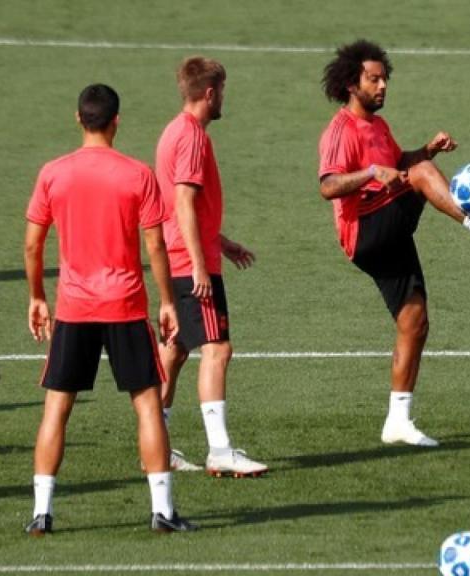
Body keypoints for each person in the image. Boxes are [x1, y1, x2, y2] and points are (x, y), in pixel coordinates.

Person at [317, 40, 470, 447]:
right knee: (422, 173)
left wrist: (426, 149)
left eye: (385, 79)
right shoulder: (340, 130)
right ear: (351, 83)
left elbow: (400, 165)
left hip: (390, 229)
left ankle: (397, 421)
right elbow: (328, 186)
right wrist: (371, 173)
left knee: (414, 324)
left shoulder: (378, 126)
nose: (382, 86)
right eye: (373, 79)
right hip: (365, 231)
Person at [24, 84, 196, 534]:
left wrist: (37, 296)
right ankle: (162, 511)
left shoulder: (53, 173)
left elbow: (31, 242)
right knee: (147, 405)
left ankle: (41, 512)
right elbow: (156, 243)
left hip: (75, 307)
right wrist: (167, 300)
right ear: (116, 121)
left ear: (78, 119)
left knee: (56, 408)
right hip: (123, 305)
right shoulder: (137, 174)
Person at [155, 56, 268, 476]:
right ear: (209, 92)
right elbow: (183, 199)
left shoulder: (174, 132)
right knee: (217, 349)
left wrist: (221, 242)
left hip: (179, 256)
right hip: (190, 263)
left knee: (175, 351)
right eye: (221, 90)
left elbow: (178, 205)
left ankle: (158, 445)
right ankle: (219, 449)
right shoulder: (193, 138)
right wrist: (202, 265)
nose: (223, 98)